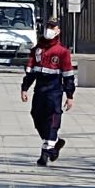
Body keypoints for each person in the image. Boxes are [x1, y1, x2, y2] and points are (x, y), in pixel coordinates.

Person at [21, 19, 75, 166]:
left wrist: (69, 95)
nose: (49, 30)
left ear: (58, 31)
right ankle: (54, 143)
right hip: (40, 89)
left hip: (54, 90)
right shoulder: (38, 49)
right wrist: (24, 88)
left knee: (52, 120)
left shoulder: (62, 52)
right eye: (47, 27)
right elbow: (30, 71)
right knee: (37, 117)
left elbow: (68, 75)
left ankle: (45, 153)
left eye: (52, 27)